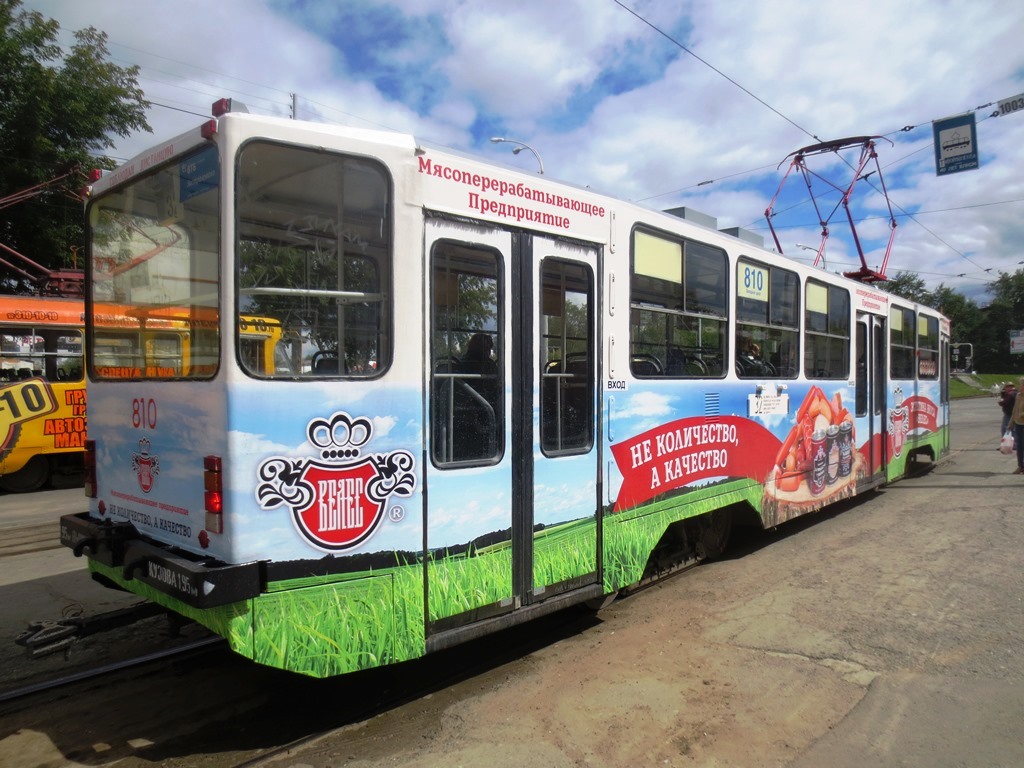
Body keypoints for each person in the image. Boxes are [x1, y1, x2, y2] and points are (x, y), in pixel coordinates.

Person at [1012, 377, 1024, 474]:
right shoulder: (1019, 395)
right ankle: (1020, 466)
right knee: (1019, 446)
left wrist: (1022, 414)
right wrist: (1011, 422)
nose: (1020, 386)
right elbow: (1015, 409)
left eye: (1022, 384)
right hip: (1018, 423)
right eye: (1020, 384)